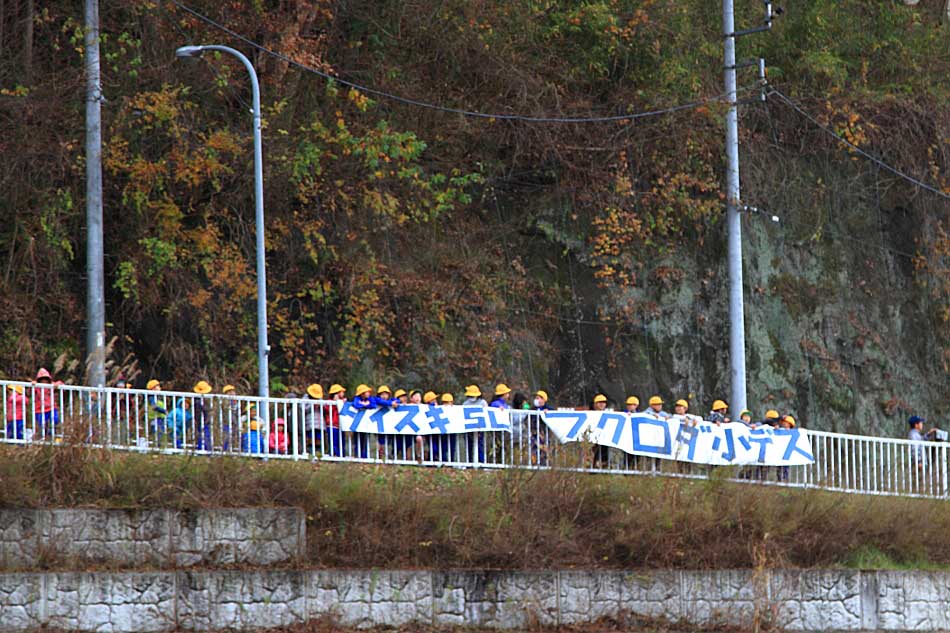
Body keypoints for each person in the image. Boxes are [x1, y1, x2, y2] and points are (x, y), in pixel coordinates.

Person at [32, 368, 62, 440]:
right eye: (42, 379)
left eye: (45, 379)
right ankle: (43, 437)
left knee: (55, 419)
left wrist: (56, 384)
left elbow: (60, 383)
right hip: (40, 410)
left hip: (51, 408)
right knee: (42, 424)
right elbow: (29, 391)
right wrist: (33, 384)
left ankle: (52, 434)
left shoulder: (51, 386)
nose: (44, 381)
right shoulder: (37, 387)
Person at [463, 385, 488, 462]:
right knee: (475, 446)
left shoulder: (465, 403)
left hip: (476, 428)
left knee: (476, 446)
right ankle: (477, 462)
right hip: (473, 428)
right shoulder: (482, 402)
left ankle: (476, 462)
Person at [350, 384, 374, 458]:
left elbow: (373, 405)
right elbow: (356, 404)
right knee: (357, 440)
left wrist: (366, 405)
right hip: (357, 424)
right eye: (367, 392)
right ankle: (357, 456)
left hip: (366, 424)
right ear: (362, 393)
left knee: (365, 441)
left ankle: (364, 456)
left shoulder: (370, 399)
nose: (368, 393)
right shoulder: (357, 398)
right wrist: (363, 405)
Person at [529, 390, 550, 466]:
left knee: (544, 449)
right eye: (536, 398)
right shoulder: (533, 409)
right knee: (534, 449)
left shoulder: (548, 408)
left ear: (543, 399)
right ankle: (534, 464)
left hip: (544, 433)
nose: (536, 400)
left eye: (538, 398)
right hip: (534, 433)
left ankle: (544, 464)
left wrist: (547, 412)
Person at [591, 394, 612, 468]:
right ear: (595, 404)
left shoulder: (609, 414)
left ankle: (604, 467)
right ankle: (592, 467)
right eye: (600, 402)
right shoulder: (590, 414)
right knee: (593, 452)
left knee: (604, 452)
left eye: (603, 403)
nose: (602, 404)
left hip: (604, 437)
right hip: (593, 437)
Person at [192, 381, 213, 451]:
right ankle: (203, 448)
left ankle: (206, 448)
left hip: (205, 420)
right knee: (203, 434)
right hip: (201, 420)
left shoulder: (206, 400)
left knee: (205, 434)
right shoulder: (197, 401)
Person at [145, 379, 167, 446]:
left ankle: (158, 444)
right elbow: (154, 407)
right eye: (158, 386)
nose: (159, 388)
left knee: (160, 432)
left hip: (160, 418)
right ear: (153, 388)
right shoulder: (152, 398)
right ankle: (157, 445)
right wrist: (163, 411)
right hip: (155, 418)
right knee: (158, 432)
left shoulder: (158, 397)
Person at [776, 415, 797, 482]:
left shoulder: (792, 432)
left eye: (786, 422)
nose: (784, 424)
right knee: (779, 466)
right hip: (779, 452)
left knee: (786, 467)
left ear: (790, 424)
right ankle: (779, 479)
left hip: (787, 453)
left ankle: (785, 480)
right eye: (783, 422)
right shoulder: (779, 430)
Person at [220, 384, 240, 452]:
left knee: (234, 436)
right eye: (229, 391)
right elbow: (225, 408)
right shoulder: (225, 400)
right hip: (227, 422)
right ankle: (225, 450)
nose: (232, 393)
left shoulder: (235, 401)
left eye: (233, 391)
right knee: (226, 436)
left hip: (234, 421)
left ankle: (231, 449)